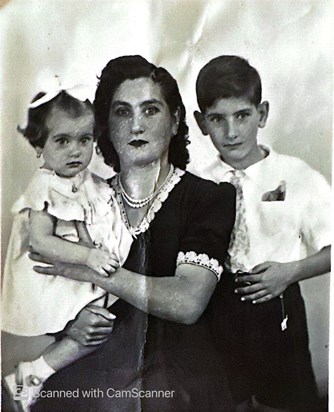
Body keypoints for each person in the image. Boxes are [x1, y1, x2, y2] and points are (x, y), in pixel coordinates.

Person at [30, 55, 236, 412]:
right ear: (105, 127)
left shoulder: (209, 197)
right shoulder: (78, 201)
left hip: (180, 381)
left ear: (175, 121)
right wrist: (72, 325)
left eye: (151, 110)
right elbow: (49, 285)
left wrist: (88, 270)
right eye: (122, 112)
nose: (136, 125)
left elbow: (188, 302)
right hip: (98, 371)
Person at [193, 55, 331, 411]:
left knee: (287, 402)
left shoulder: (295, 174)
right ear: (201, 123)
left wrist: (290, 272)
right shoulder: (196, 183)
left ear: (263, 114)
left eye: (242, 116)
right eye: (217, 120)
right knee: (223, 402)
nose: (231, 132)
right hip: (216, 309)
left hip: (279, 305)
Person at [1, 89, 133, 411]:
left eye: (84, 140)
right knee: (93, 329)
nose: (75, 150)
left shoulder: (89, 182)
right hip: (55, 275)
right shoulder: (45, 185)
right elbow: (41, 240)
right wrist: (89, 256)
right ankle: (33, 373)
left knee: (101, 329)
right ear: (38, 145)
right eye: (62, 141)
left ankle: (33, 375)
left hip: (83, 270)